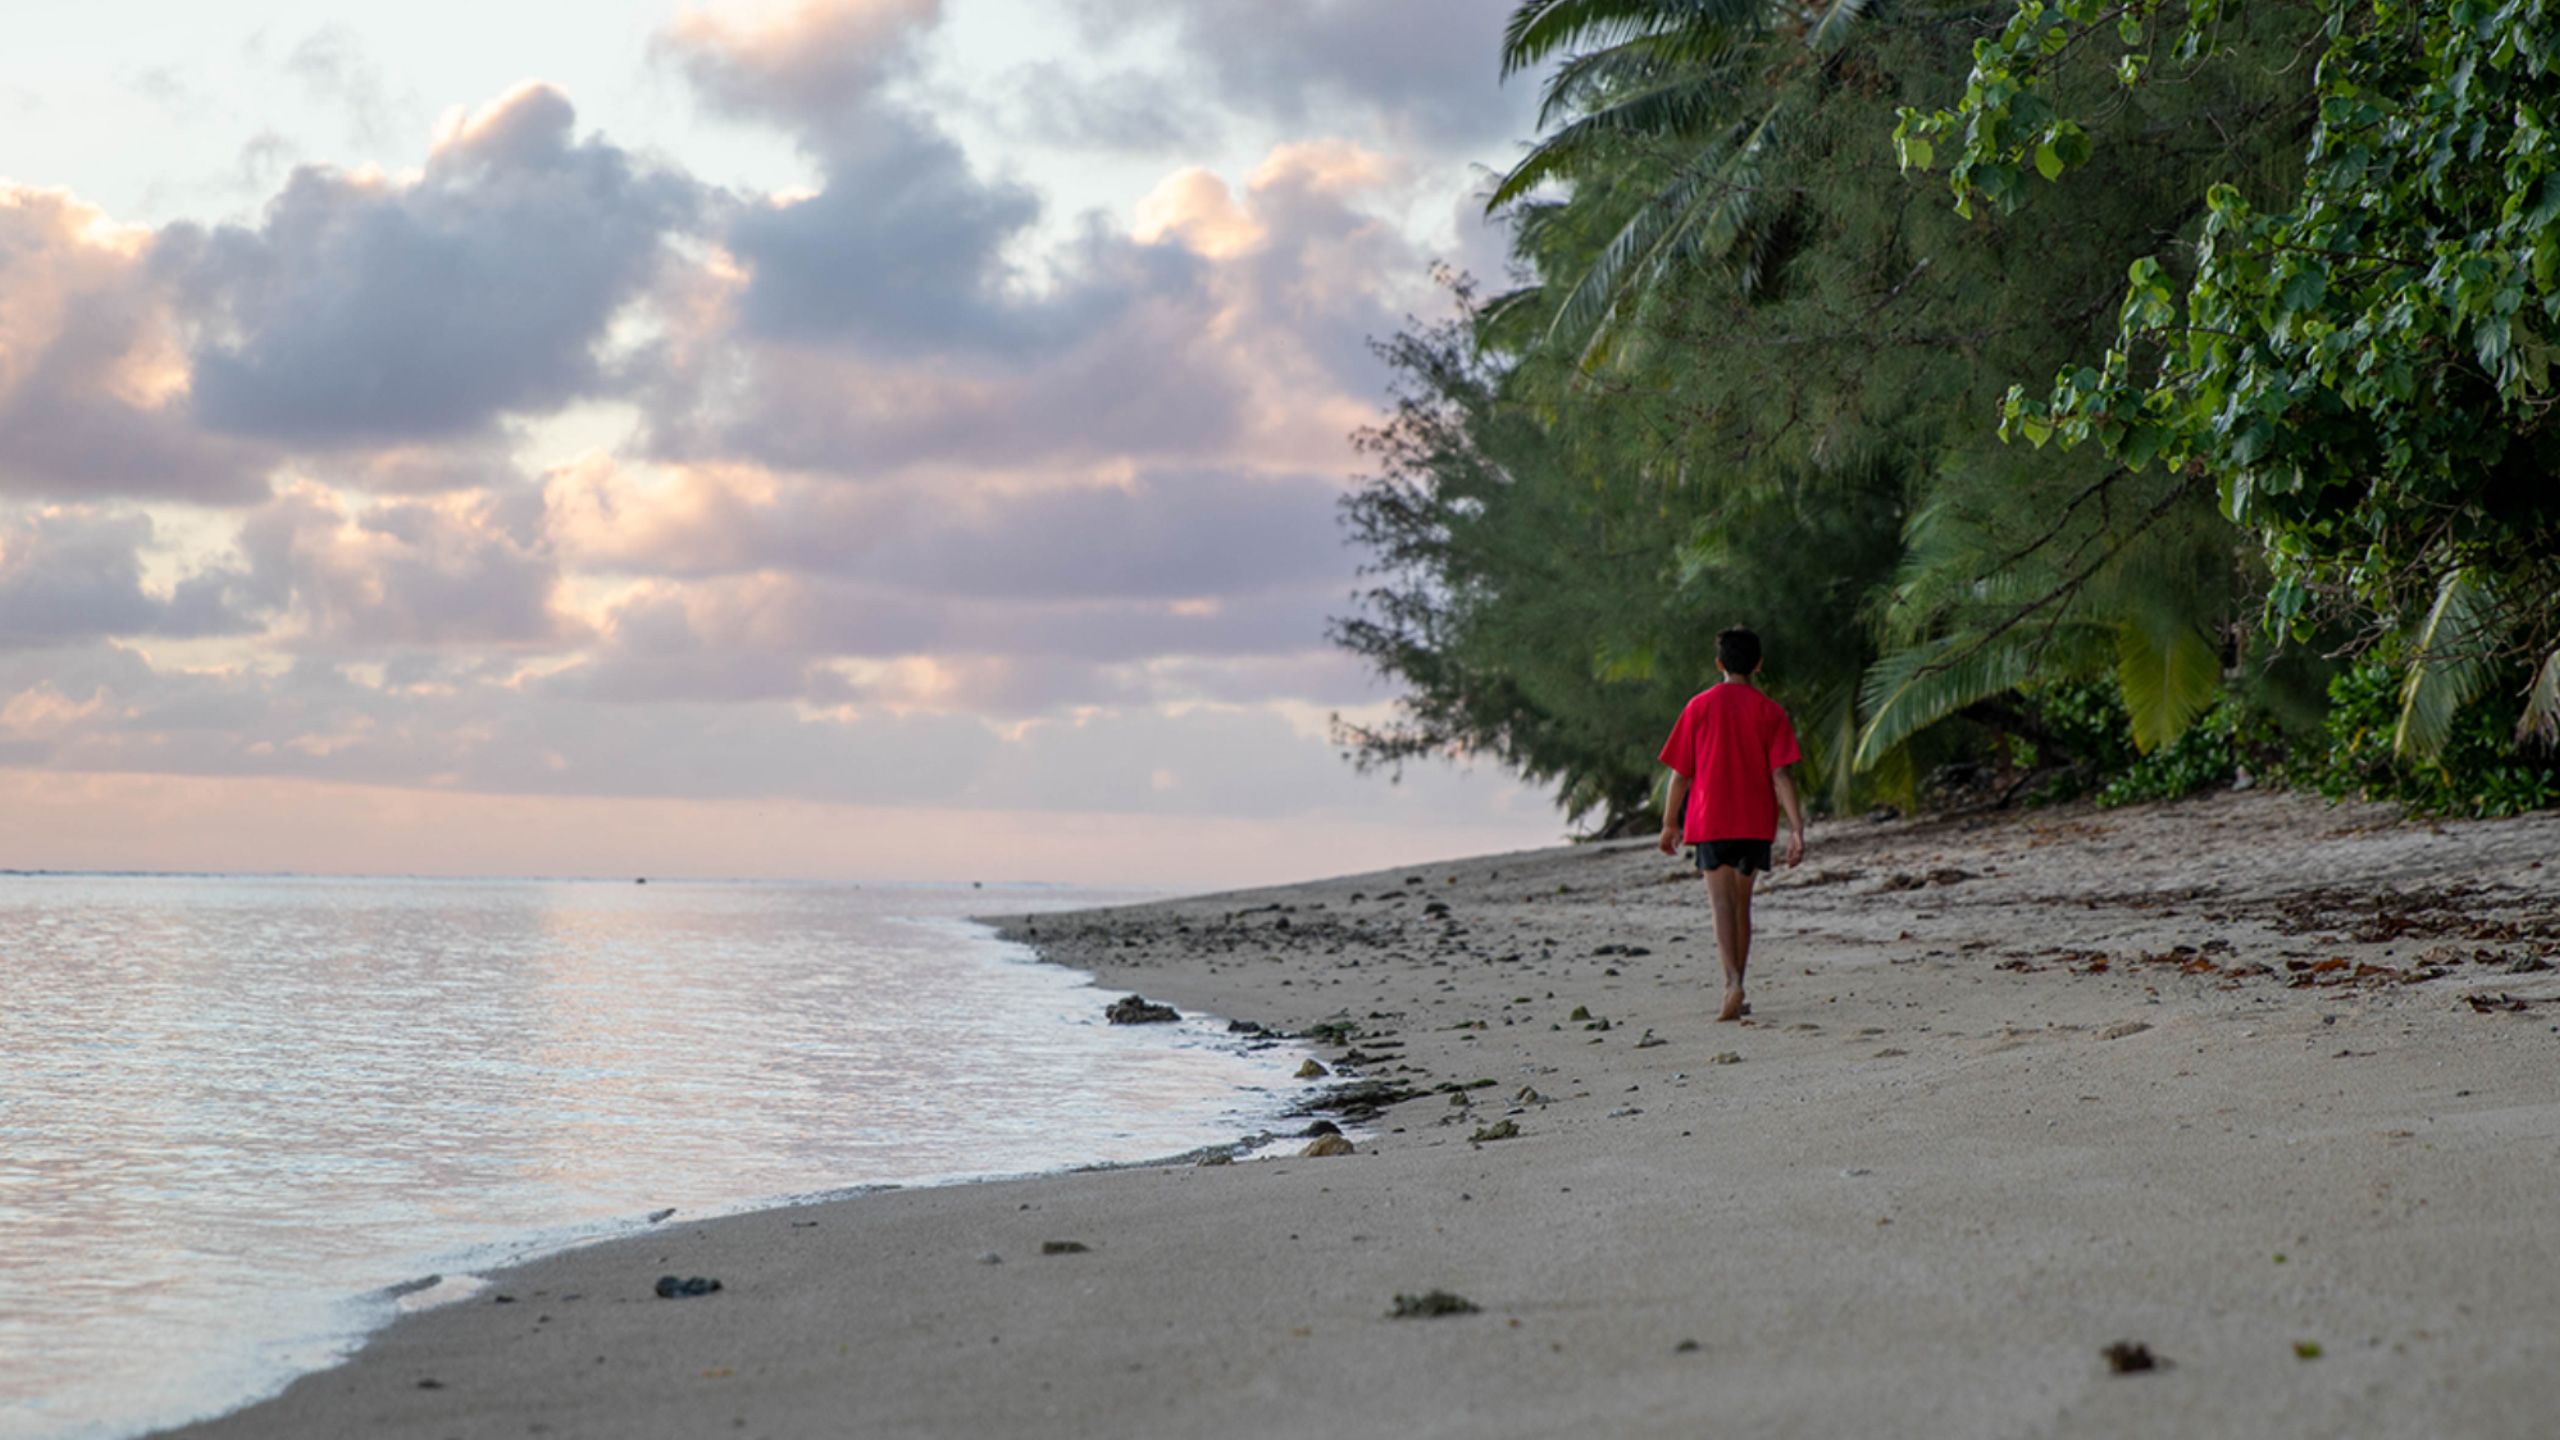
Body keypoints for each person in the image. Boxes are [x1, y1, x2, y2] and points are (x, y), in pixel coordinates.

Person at [1655, 625, 1806, 1022]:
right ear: (1758, 665)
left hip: (1710, 820)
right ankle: (1740, 983)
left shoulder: (1698, 707)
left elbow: (1680, 775)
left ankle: (1732, 983)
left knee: (1721, 904)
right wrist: (1797, 829)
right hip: (1755, 822)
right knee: (1742, 905)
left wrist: (1669, 823)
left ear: (1719, 663)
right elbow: (1781, 775)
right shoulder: (1770, 711)